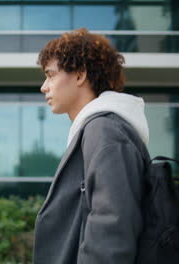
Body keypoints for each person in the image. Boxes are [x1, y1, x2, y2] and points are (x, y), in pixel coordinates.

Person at [33, 28, 150, 264]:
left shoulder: (105, 130)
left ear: (79, 75)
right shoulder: (97, 129)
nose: (44, 87)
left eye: (50, 75)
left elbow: (113, 230)